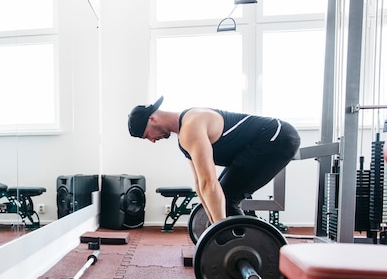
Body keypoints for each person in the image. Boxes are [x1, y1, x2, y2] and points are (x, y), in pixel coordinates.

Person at [128, 96, 300, 224]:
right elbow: (201, 186)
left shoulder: (192, 125)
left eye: (146, 135)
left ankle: (242, 246)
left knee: (228, 197)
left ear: (152, 119)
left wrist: (219, 231)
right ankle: (234, 242)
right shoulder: (184, 139)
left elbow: (209, 184)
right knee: (223, 197)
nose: (151, 140)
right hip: (258, 144)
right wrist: (213, 226)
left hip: (278, 136)